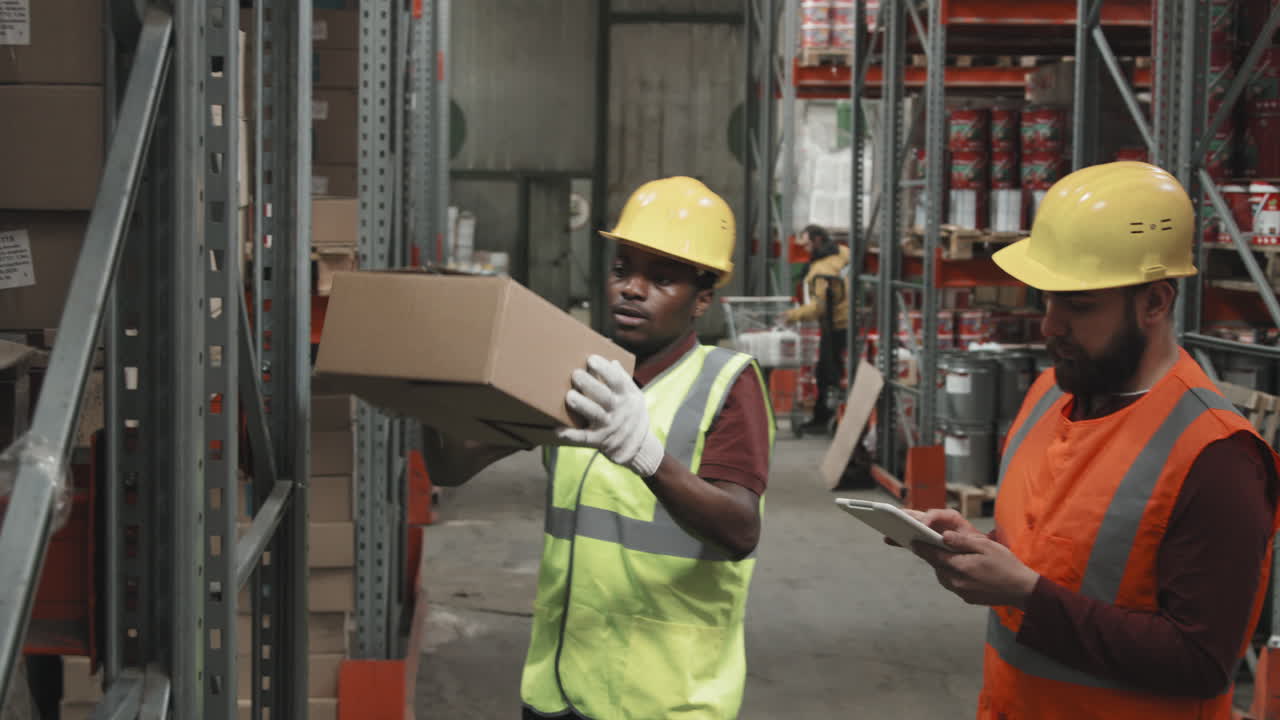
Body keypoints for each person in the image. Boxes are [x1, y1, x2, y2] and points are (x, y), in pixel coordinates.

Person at [901, 161, 1280, 718]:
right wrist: (980, 547)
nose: (1050, 325)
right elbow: (1064, 555)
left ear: (1155, 303)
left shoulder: (1217, 455)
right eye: (1047, 299)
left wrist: (1026, 594)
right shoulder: (1049, 395)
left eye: (1078, 306)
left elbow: (1201, 661)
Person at [422, 176, 775, 720]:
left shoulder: (727, 383)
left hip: (664, 701)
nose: (632, 289)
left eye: (661, 279)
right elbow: (452, 464)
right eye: (621, 270)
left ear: (702, 298)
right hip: (558, 689)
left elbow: (740, 531)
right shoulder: (579, 371)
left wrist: (649, 459)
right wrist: (428, 397)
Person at [781, 224, 850, 433]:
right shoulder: (843, 253)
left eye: (807, 243)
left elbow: (819, 307)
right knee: (833, 370)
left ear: (817, 240)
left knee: (827, 373)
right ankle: (831, 413)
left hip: (834, 324)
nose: (805, 248)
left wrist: (792, 315)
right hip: (849, 320)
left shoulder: (821, 271)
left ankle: (825, 418)